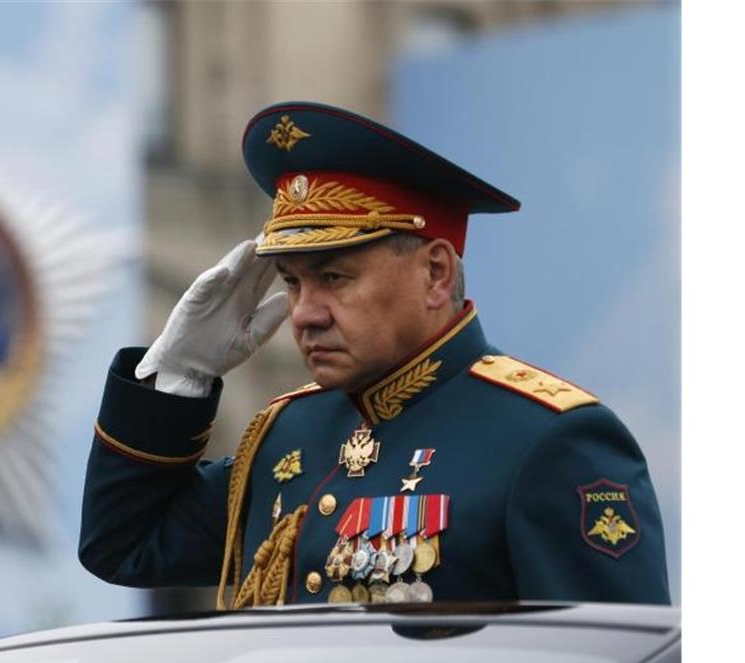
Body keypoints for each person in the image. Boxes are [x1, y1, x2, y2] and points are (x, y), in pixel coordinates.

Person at [79, 101, 670, 608]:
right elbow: (124, 545)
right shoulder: (287, 435)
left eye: (334, 276)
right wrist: (180, 376)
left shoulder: (549, 441)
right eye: (291, 282)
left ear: (435, 274)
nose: (305, 312)